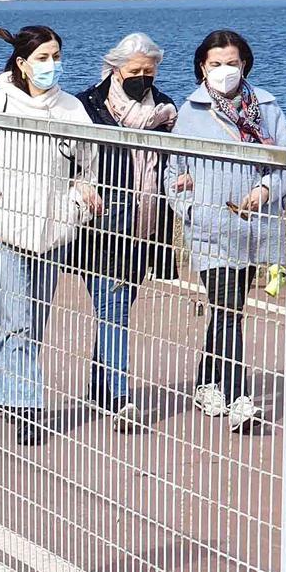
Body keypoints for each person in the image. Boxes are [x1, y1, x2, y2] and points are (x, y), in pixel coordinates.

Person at [0, 25, 102, 447]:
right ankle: (27, 405)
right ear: (22, 63)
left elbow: (88, 165)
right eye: (43, 58)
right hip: (3, 231)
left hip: (52, 232)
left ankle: (11, 391)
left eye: (56, 56)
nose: (51, 65)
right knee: (13, 317)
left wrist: (77, 202)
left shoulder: (72, 110)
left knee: (33, 319)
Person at [165, 29, 286, 432]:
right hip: (210, 229)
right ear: (202, 66)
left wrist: (265, 188)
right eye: (216, 63)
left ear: (245, 64)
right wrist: (190, 207)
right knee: (224, 305)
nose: (224, 71)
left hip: (254, 229)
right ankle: (239, 397)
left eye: (232, 63)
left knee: (231, 309)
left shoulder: (267, 107)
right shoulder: (190, 112)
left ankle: (205, 382)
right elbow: (173, 173)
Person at [74, 32, 176, 434]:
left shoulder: (165, 111)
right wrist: (80, 183)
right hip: (100, 227)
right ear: (115, 69)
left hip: (144, 226)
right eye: (135, 71)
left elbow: (171, 162)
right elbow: (68, 155)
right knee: (114, 308)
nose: (143, 77)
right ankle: (119, 395)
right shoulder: (88, 106)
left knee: (116, 308)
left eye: (149, 71)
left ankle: (100, 385)